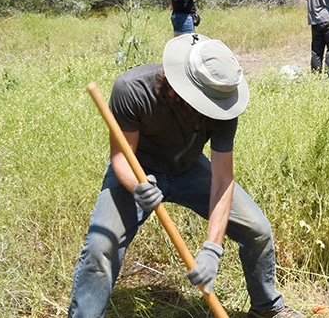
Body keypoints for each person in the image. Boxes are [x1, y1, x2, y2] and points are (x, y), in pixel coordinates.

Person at [69, 33, 304, 318]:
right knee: (100, 246)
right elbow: (120, 157)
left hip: (190, 167)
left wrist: (212, 249)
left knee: (257, 229)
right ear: (178, 87)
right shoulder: (131, 89)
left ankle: (267, 308)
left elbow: (222, 179)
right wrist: (136, 187)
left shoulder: (222, 104)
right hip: (138, 169)